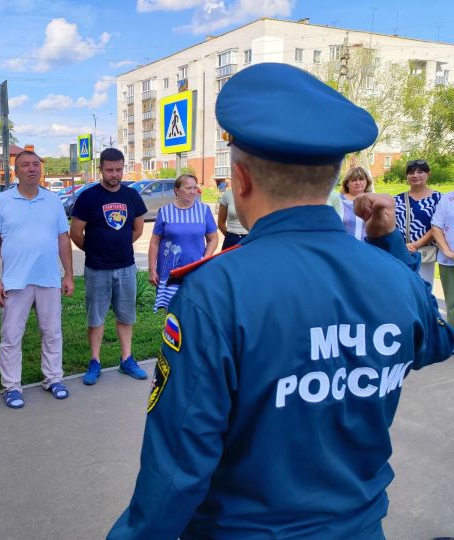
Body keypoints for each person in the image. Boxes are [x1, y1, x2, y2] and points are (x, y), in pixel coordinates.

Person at [108, 63, 454, 539]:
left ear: (242, 180)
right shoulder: (394, 280)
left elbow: (178, 467)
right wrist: (386, 244)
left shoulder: (216, 291)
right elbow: (435, 343)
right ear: (334, 177)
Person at [0, 151, 74, 409]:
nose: (32, 169)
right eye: (25, 165)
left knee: (52, 332)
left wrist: (68, 274)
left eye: (36, 164)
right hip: (15, 281)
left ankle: (53, 378)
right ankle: (12, 386)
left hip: (48, 278)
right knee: (12, 336)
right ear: (16, 171)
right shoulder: (2, 201)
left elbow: (62, 238)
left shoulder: (53, 200)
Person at [70, 148, 148, 385]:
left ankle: (127, 359)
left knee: (126, 316)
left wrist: (119, 245)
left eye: (118, 169)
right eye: (109, 170)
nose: (115, 174)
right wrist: (96, 250)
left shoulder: (132, 196)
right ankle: (95, 361)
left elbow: (137, 230)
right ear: (101, 169)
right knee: (96, 317)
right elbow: (75, 233)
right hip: (97, 268)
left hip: (125, 267)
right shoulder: (88, 197)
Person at [148, 174, 217, 311]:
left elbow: (213, 238)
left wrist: (205, 259)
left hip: (195, 270)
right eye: (188, 188)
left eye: (195, 188)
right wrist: (152, 269)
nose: (193, 192)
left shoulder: (204, 210)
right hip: (170, 271)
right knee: (171, 311)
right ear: (177, 190)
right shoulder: (165, 211)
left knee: (193, 309)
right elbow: (154, 241)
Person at [394, 159, 441, 285]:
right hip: (401, 251)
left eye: (420, 172)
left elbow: (438, 226)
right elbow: (390, 225)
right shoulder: (396, 199)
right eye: (410, 173)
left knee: (423, 289)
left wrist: (416, 245)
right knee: (403, 289)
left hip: (425, 253)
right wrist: (401, 245)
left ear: (428, 174)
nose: (415, 175)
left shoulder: (438, 198)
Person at [431, 191, 454, 324]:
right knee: (452, 304)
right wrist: (447, 252)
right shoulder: (448, 199)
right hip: (449, 260)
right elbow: (436, 226)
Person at [340, 166, 373, 241]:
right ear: (347, 184)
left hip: (367, 247)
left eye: (361, 179)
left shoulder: (373, 200)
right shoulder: (338, 201)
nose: (358, 183)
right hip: (344, 246)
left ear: (367, 181)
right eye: (354, 180)